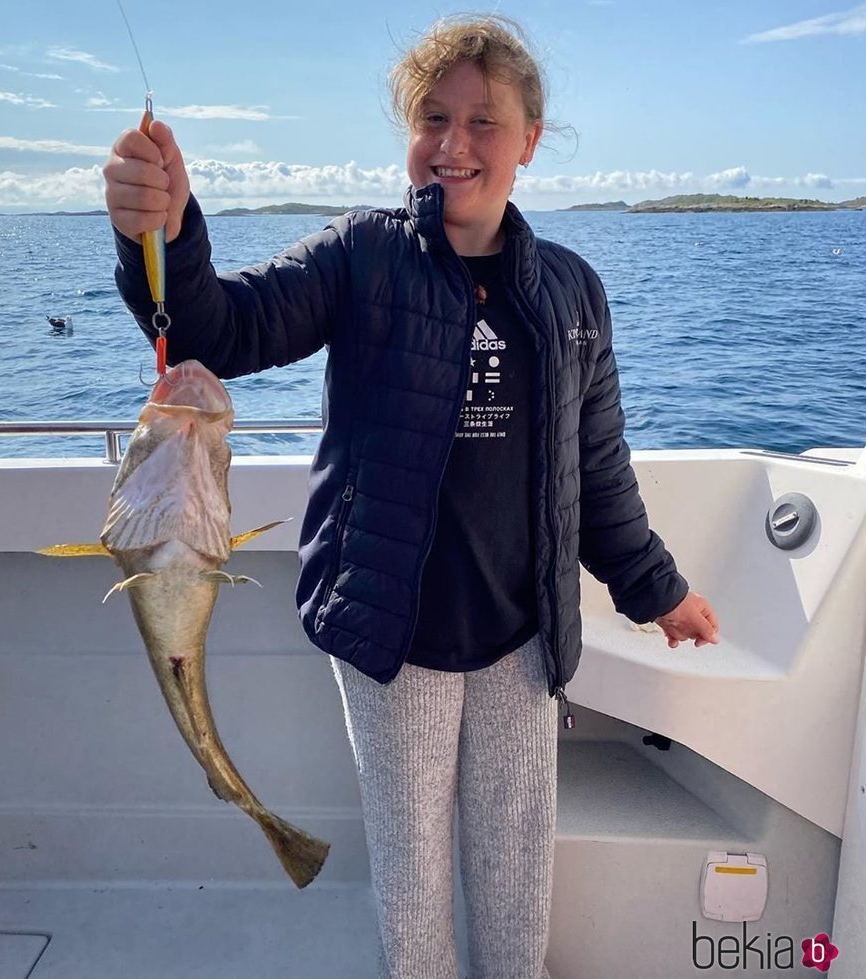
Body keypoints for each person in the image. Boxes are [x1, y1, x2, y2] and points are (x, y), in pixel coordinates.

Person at [103, 14, 719, 978]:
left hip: (522, 638)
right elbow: (223, 328)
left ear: (529, 141)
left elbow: (599, 471)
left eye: (484, 121)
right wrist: (167, 232)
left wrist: (660, 591)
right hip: (392, 637)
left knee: (517, 874)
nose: (455, 143)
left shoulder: (572, 291)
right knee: (413, 872)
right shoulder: (363, 256)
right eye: (434, 116)